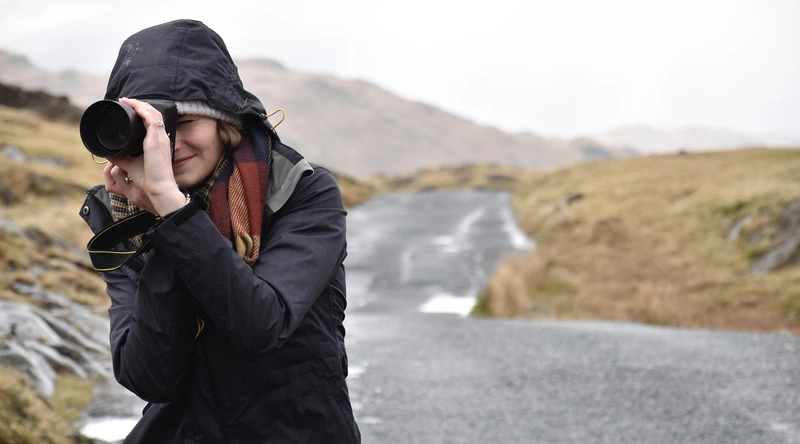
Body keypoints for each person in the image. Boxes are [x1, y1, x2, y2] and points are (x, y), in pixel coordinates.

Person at [79, 19, 360, 443]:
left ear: (224, 122)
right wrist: (160, 219)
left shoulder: (299, 190)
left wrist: (172, 212)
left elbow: (262, 324)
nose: (169, 145)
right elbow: (151, 377)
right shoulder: (121, 215)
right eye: (151, 130)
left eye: (184, 122)